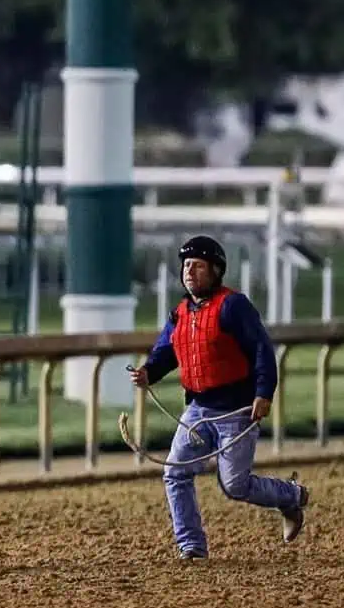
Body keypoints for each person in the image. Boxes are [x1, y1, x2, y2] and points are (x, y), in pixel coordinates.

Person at [129, 235, 310, 560]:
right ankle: (191, 547)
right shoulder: (179, 314)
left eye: (197, 266)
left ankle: (291, 496)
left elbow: (261, 351)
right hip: (198, 410)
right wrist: (148, 373)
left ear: (215, 270)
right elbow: (165, 352)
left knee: (234, 486)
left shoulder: (233, 306)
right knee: (175, 472)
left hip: (238, 411)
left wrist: (263, 393)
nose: (189, 272)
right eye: (186, 266)